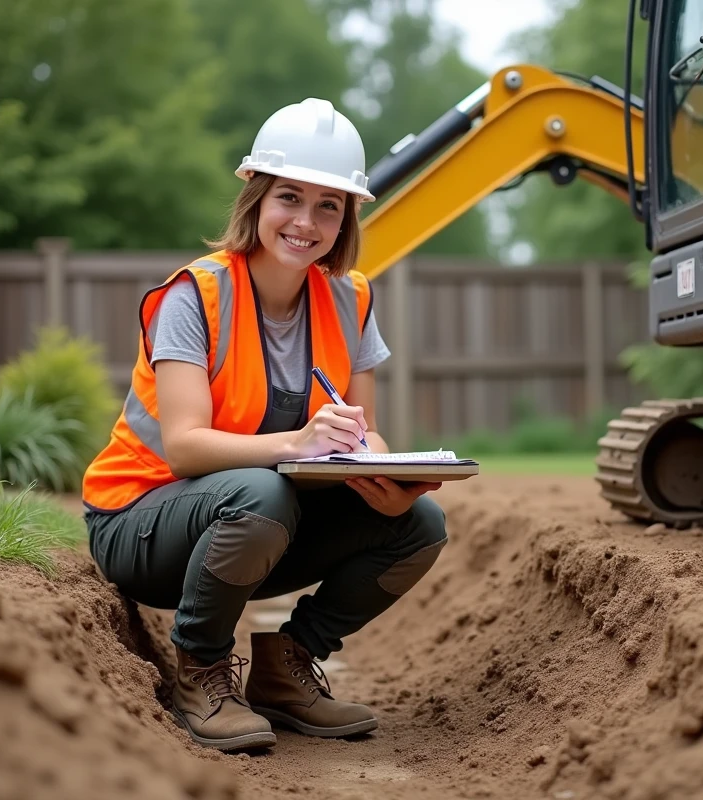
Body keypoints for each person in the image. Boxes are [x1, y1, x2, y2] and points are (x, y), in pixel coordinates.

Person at [81, 98, 448, 753]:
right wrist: (297, 443)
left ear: (348, 217)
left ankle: (289, 667)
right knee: (263, 491)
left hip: (247, 524)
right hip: (139, 521)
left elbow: (367, 434)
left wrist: (384, 474)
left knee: (418, 523)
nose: (306, 221)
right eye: (289, 197)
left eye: (328, 205)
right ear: (255, 196)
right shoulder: (194, 296)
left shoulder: (352, 299)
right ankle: (199, 669)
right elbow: (186, 447)